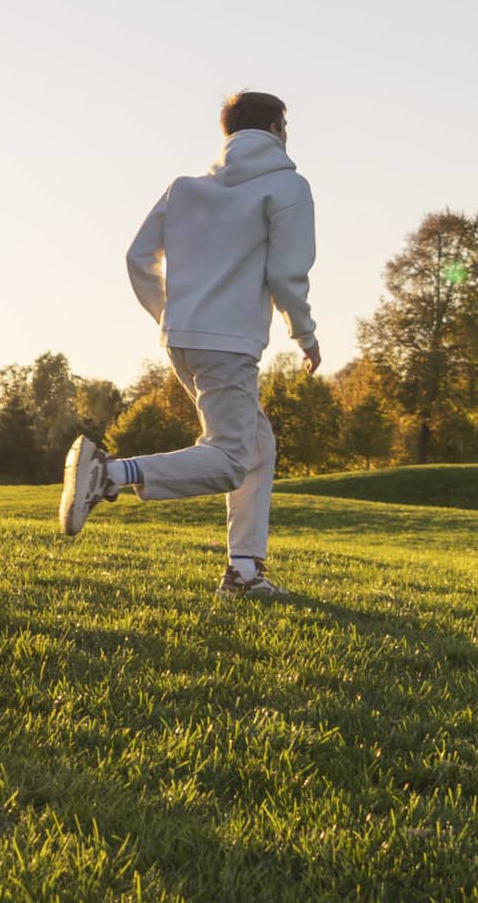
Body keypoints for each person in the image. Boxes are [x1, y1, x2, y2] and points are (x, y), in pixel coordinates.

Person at [59, 89, 318, 599]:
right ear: (276, 128)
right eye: (286, 126)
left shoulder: (184, 188)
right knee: (228, 457)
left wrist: (170, 314)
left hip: (181, 341)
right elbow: (288, 273)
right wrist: (305, 334)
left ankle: (243, 573)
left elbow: (138, 258)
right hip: (228, 344)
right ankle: (109, 475)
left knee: (257, 446)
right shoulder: (288, 187)